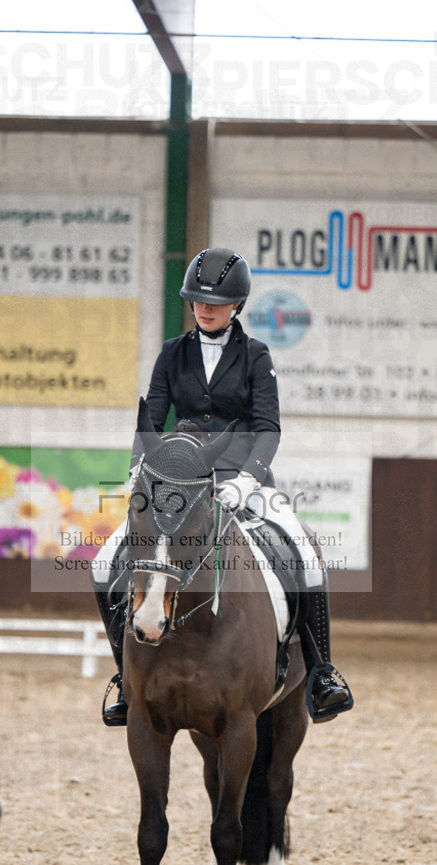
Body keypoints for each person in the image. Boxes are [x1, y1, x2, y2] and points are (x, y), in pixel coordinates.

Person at [94, 247, 353, 725]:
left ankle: (322, 674)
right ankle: (123, 678)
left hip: (243, 478)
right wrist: (137, 468)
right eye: (196, 301)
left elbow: (268, 426)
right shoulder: (173, 354)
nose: (204, 309)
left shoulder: (256, 356)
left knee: (305, 555)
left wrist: (248, 479)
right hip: (180, 479)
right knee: (102, 561)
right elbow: (151, 418)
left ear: (237, 306)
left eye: (214, 302)